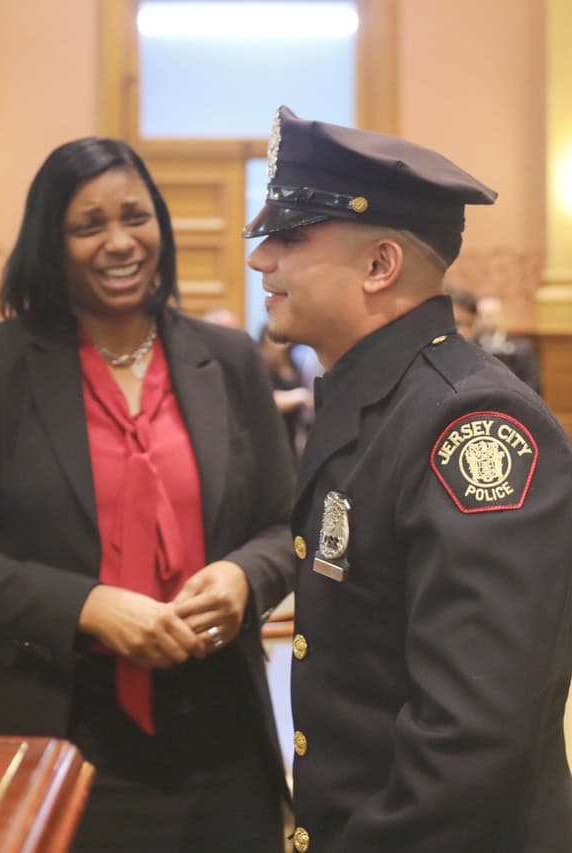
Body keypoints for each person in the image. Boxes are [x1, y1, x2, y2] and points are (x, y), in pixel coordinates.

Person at [0, 137, 296, 852]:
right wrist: (87, 606)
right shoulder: (1, 364)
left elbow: (285, 524)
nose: (120, 242)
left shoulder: (233, 361)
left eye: (135, 217)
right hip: (49, 729)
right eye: (89, 225)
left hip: (219, 740)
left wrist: (245, 576)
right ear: (51, 244)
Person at [245, 105, 572, 852]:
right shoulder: (373, 398)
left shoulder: (473, 426)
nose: (263, 260)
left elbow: (472, 739)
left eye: (290, 237)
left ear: (379, 265)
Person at [258, 324, 311, 455]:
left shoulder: (291, 361)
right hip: (271, 438)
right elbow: (264, 400)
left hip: (292, 435)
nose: (282, 344)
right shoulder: (261, 366)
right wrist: (299, 396)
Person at [475, 294, 543, 394]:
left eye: (489, 315)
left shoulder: (523, 348)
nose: (484, 320)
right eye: (480, 315)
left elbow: (534, 384)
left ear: (500, 316)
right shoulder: (470, 345)